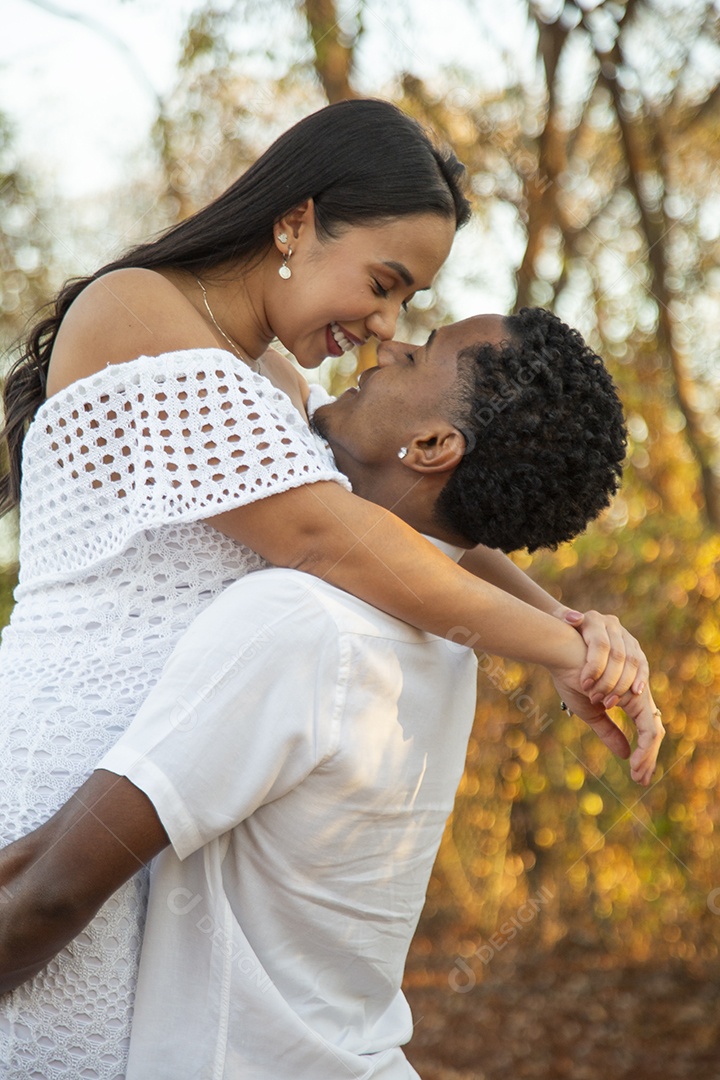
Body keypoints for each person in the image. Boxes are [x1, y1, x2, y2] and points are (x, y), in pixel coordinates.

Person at [0, 93, 660, 1077]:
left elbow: (405, 527)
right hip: (63, 775)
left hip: (162, 803)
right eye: (384, 283)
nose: (385, 324)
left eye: (406, 306)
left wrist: (570, 623)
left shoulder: (280, 382)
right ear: (298, 220)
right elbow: (326, 531)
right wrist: (565, 650)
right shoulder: (141, 309)